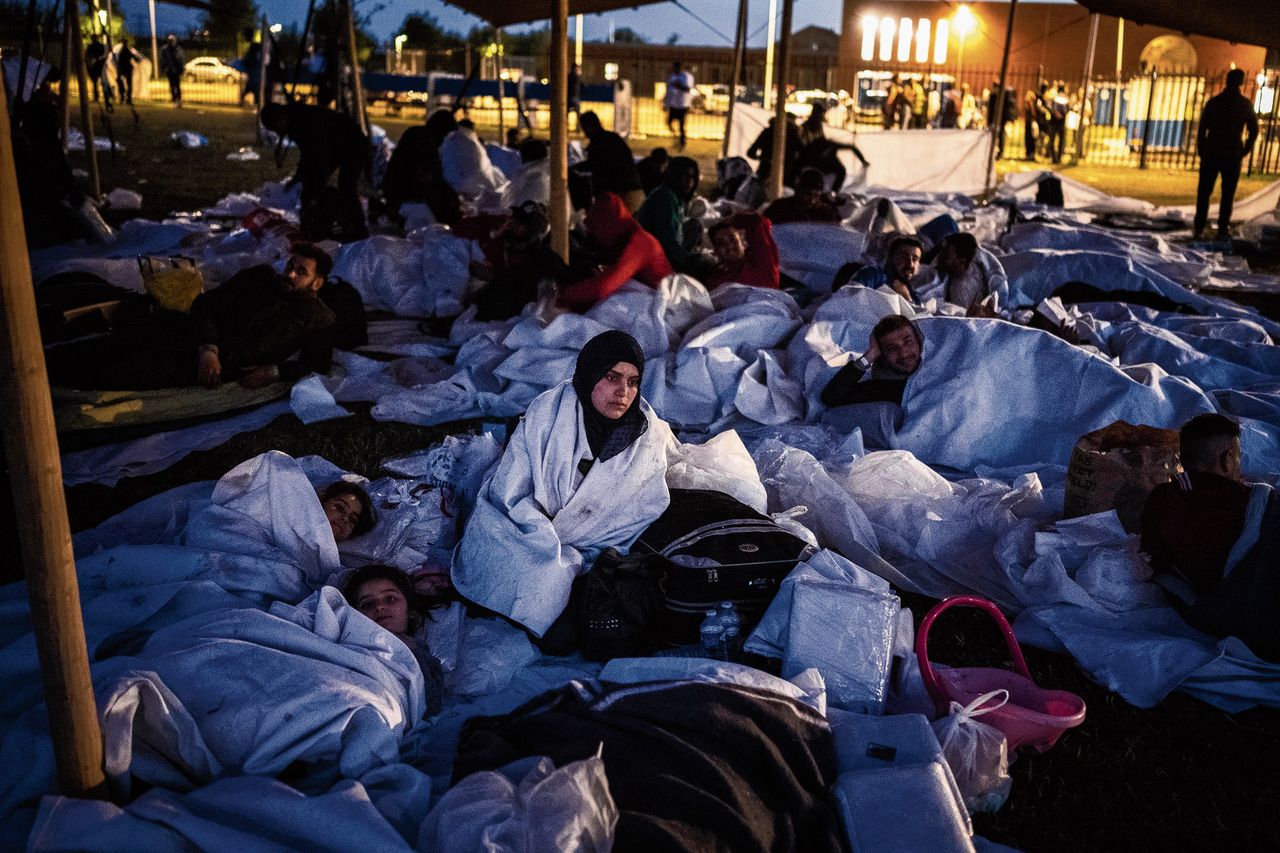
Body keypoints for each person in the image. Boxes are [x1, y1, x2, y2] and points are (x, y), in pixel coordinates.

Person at [452, 330, 674, 645]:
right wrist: (549, 545)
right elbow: (512, 492)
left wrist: (581, 548)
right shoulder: (549, 413)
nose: (623, 392)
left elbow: (643, 505)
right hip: (525, 533)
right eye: (612, 377)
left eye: (633, 381)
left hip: (592, 549)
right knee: (517, 586)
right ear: (590, 373)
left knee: (568, 629)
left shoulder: (645, 434)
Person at [1141, 414, 1279, 661]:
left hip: (1214, 617)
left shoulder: (1161, 500)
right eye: (1238, 457)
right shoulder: (1249, 500)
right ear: (1227, 460)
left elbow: (1154, 558)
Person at [343, 564, 446, 715]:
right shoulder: (346, 642)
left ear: (410, 611)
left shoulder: (418, 654)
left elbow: (430, 703)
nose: (379, 607)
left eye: (390, 599)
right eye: (367, 604)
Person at [261, 101, 369, 241]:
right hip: (335, 145)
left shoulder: (304, 121)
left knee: (346, 187)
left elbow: (319, 155)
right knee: (314, 185)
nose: (279, 132)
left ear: (282, 118)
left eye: (277, 128)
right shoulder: (295, 121)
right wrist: (300, 177)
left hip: (353, 145)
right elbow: (308, 153)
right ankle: (315, 223)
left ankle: (358, 229)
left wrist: (314, 186)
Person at [557, 192, 672, 311]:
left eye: (598, 233)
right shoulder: (625, 239)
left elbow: (603, 287)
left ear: (608, 226)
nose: (598, 239)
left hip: (661, 305)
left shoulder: (640, 243)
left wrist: (563, 295)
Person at [467, 200, 569, 321]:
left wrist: (494, 276)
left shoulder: (542, 259)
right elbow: (460, 230)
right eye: (514, 218)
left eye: (519, 222)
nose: (512, 222)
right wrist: (493, 222)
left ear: (524, 229)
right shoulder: (499, 238)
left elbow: (524, 289)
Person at [1194, 69, 1260, 241]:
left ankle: (1199, 226)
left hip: (1213, 152)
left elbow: (1203, 128)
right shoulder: (1244, 104)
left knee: (1204, 191)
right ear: (1240, 83)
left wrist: (1202, 149)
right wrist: (1245, 149)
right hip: (1232, 154)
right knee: (1227, 194)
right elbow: (1254, 130)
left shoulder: (1215, 102)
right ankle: (1222, 228)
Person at [821, 314, 922, 409]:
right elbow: (831, 398)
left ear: (918, 341)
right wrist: (870, 355)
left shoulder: (935, 367)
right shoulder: (883, 390)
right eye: (892, 348)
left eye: (907, 342)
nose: (903, 353)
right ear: (882, 355)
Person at [634, 156, 706, 274]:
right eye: (686, 176)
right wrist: (691, 262)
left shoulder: (677, 197)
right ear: (675, 175)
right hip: (653, 254)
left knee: (695, 226)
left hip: (665, 247)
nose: (690, 181)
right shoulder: (665, 197)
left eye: (693, 177)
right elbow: (667, 239)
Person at [919, 232, 1009, 311]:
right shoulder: (950, 272)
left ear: (961, 260)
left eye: (946, 253)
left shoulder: (964, 286)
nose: (939, 256)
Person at [575, 111, 644, 212]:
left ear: (589, 128)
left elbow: (595, 165)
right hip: (633, 192)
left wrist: (573, 168)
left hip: (621, 194)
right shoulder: (612, 138)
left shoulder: (599, 142)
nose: (584, 133)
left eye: (584, 129)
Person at [796, 103, 868, 191]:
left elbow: (851, 147)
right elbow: (803, 151)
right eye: (819, 115)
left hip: (820, 158)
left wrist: (863, 161)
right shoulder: (804, 129)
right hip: (810, 159)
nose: (821, 119)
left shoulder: (820, 130)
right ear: (814, 114)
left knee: (841, 171)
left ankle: (833, 193)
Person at [705, 213, 779, 291]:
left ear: (742, 242)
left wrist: (733, 219)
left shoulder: (762, 263)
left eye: (732, 239)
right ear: (716, 251)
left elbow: (756, 222)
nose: (729, 246)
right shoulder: (715, 279)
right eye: (721, 243)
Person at [852, 235, 924, 303]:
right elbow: (853, 299)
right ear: (891, 258)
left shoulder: (914, 296)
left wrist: (907, 298)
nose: (910, 264)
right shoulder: (874, 276)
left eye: (915, 259)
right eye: (904, 257)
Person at [762, 167, 843, 225]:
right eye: (808, 194)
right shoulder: (779, 208)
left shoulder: (826, 214)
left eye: (816, 196)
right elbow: (763, 231)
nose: (812, 201)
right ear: (798, 189)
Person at [746, 114, 801, 188]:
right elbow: (802, 153)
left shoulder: (767, 132)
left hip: (765, 172)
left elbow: (751, 153)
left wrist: (764, 159)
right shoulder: (794, 135)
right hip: (787, 175)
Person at [664, 61, 694, 150]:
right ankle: (676, 137)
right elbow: (668, 89)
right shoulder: (672, 76)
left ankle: (682, 142)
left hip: (682, 105)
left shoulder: (686, 77)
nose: (675, 69)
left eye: (677, 67)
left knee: (681, 126)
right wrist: (666, 102)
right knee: (669, 122)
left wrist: (677, 85)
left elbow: (688, 88)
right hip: (673, 104)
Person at [86, 34, 112, 108]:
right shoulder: (101, 46)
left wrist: (91, 63)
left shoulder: (91, 46)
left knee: (95, 82)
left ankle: (97, 96)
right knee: (103, 82)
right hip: (101, 65)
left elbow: (88, 56)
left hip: (95, 66)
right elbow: (105, 54)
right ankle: (105, 96)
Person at [158, 34, 185, 106]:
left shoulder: (176, 49)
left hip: (175, 69)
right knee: (173, 85)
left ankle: (177, 99)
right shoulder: (169, 49)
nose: (172, 42)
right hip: (170, 69)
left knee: (176, 85)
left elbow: (181, 59)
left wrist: (181, 68)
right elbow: (162, 60)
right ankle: (175, 99)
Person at [115, 38, 139, 105]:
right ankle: (126, 98)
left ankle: (125, 98)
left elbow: (135, 58)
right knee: (127, 84)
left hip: (124, 69)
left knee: (126, 83)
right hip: (125, 69)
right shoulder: (125, 51)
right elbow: (135, 59)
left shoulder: (123, 51)